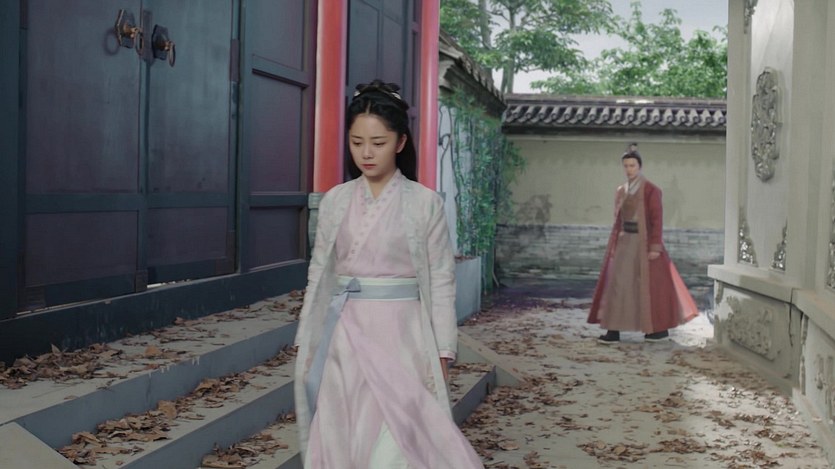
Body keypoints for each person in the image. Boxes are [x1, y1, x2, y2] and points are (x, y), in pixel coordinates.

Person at [293, 80, 484, 468]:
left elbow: (442, 280)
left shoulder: (424, 203)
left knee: (399, 437)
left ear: (400, 142)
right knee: (344, 431)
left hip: (403, 334)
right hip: (344, 332)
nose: (366, 153)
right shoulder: (336, 200)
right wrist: (306, 337)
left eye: (378, 143)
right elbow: (319, 273)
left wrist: (443, 350)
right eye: (357, 142)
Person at [587, 144, 699, 344]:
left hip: (644, 243)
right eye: (626, 166)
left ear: (639, 166)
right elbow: (617, 219)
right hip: (625, 242)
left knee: (651, 286)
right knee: (618, 284)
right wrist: (615, 243)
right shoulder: (621, 190)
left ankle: (657, 330)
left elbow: (657, 220)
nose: (629, 169)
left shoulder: (651, 190)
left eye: (632, 165)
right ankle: (613, 330)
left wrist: (655, 246)